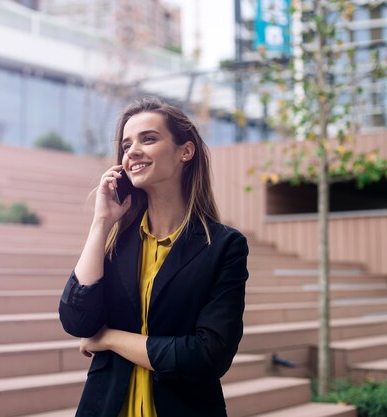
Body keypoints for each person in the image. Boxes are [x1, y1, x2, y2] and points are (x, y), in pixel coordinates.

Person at [58, 96, 249, 417]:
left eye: (148, 139)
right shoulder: (116, 242)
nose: (132, 151)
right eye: (126, 144)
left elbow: (208, 356)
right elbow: (77, 321)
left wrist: (110, 338)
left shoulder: (224, 246)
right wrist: (101, 223)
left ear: (185, 151)